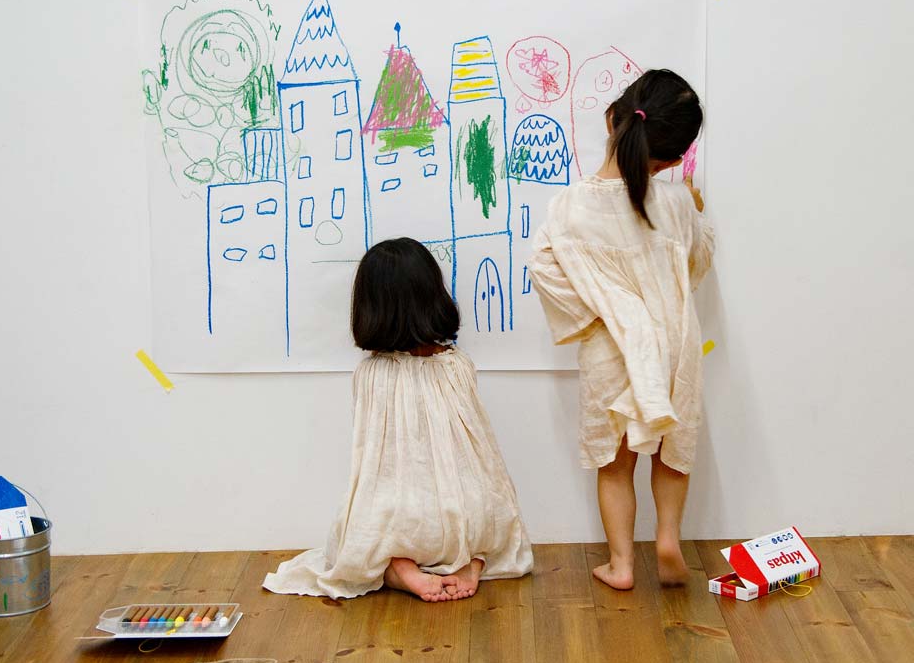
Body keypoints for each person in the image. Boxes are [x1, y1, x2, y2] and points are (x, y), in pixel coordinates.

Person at [263, 237, 533, 601]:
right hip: (465, 514)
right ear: (433, 295)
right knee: (492, 512)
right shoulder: (457, 365)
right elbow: (480, 456)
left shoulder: (372, 374)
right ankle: (470, 561)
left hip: (404, 519)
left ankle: (401, 567)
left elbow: (379, 466)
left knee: (363, 530)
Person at [528, 70, 713, 590]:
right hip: (674, 344)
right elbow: (696, 263)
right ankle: (671, 539)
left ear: (612, 119)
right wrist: (699, 211)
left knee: (614, 462)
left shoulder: (568, 206)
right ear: (675, 160)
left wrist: (597, 313)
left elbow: (543, 268)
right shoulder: (676, 202)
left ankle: (622, 564)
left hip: (612, 350)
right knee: (673, 450)